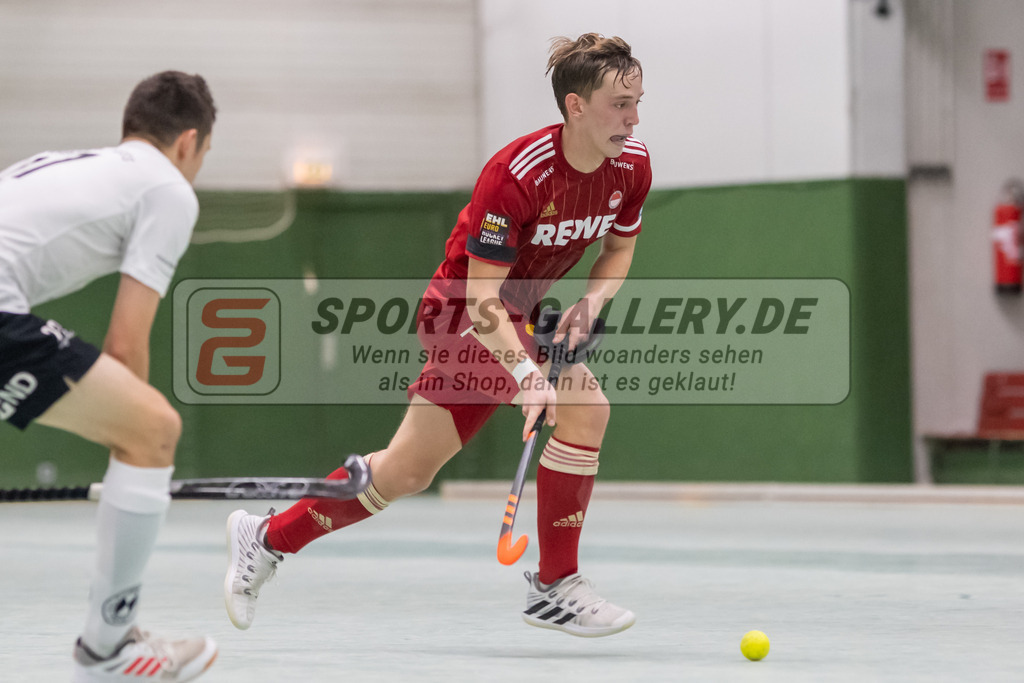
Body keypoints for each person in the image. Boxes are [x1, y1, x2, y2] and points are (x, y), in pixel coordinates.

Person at [225, 33, 651, 638]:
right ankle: (556, 586)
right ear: (575, 106)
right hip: (460, 317)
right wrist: (529, 375)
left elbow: (620, 247)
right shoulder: (516, 175)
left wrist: (591, 302)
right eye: (619, 104)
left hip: (520, 318)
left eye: (637, 102)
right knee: (586, 408)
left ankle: (266, 537)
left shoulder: (631, 164)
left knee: (403, 473)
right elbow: (481, 299)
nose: (633, 118)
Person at [0, 71, 218, 681]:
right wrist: (140, 455)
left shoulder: (70, 164)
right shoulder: (168, 189)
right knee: (154, 429)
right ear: (188, 144)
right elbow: (126, 345)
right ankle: (108, 647)